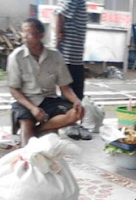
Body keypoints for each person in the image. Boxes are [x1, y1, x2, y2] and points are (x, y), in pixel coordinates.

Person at [7, 18, 84, 147]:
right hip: (26, 100)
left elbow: (64, 87)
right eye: (23, 33)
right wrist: (33, 109)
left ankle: (39, 130)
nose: (25, 37)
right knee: (27, 122)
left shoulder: (55, 56)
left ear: (41, 35)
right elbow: (14, 89)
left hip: (49, 99)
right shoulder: (16, 57)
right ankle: (27, 156)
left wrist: (77, 101)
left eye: (29, 33)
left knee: (77, 113)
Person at [55, 0, 91, 141]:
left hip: (75, 55)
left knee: (77, 91)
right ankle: (70, 123)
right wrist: (58, 37)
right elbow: (60, 15)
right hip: (69, 55)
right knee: (71, 91)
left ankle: (74, 122)